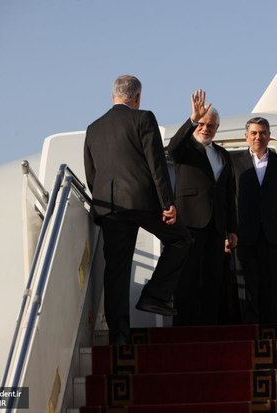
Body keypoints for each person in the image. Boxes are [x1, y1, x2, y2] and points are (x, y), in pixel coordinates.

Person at [84, 75, 191, 344]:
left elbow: (91, 173)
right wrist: (167, 203)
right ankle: (154, 295)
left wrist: (102, 203)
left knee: (116, 270)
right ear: (137, 97)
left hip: (109, 206)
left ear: (113, 96)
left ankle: (119, 337)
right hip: (140, 201)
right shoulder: (143, 118)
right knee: (180, 239)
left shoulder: (93, 128)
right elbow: (157, 164)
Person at [167, 90, 238, 326]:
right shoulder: (185, 149)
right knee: (187, 277)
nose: (206, 128)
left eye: (211, 125)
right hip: (190, 223)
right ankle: (185, 328)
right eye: (202, 124)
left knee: (212, 278)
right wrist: (192, 119)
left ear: (217, 128)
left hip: (216, 226)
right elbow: (172, 148)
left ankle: (210, 327)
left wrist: (232, 228)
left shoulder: (223, 155)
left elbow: (228, 194)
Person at [232, 117, 277, 324]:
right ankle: (250, 334)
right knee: (248, 290)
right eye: (253, 133)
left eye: (262, 133)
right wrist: (229, 231)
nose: (258, 137)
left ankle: (272, 335)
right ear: (246, 136)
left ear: (269, 136)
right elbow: (228, 199)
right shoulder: (233, 161)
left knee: (272, 288)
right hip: (244, 237)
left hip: (274, 237)